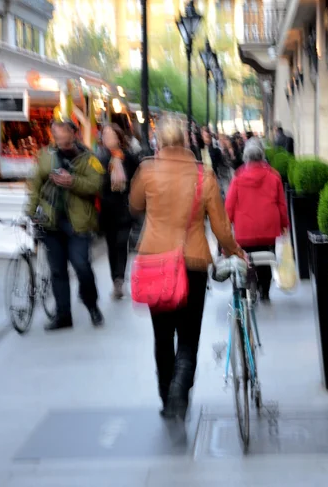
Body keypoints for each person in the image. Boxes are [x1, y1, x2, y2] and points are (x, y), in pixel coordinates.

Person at [130, 115, 244, 420]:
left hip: (155, 261)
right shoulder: (202, 176)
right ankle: (181, 389)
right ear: (185, 141)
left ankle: (167, 398)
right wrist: (236, 251)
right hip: (191, 262)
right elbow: (220, 228)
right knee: (189, 335)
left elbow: (135, 204)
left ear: (159, 141)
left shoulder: (147, 170)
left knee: (162, 335)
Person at [26, 120, 104, 330]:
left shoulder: (88, 159)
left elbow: (96, 185)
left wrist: (73, 182)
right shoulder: (45, 156)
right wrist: (30, 212)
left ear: (73, 134)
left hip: (78, 223)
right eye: (56, 137)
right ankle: (63, 316)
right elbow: (35, 186)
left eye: (64, 137)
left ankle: (92, 305)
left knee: (81, 265)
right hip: (51, 222)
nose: (60, 141)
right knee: (57, 271)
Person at [225, 138, 289, 301]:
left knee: (245, 258)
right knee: (266, 259)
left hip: (244, 231)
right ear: (262, 156)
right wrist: (284, 225)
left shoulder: (238, 177)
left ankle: (248, 286)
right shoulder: (274, 176)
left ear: (246, 157)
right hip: (268, 229)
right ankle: (265, 291)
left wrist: (226, 226)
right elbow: (281, 204)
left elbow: (229, 206)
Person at [98, 124, 139, 299]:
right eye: (105, 136)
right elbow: (98, 184)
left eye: (111, 135)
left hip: (124, 208)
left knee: (122, 244)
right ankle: (115, 277)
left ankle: (119, 281)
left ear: (119, 137)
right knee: (111, 247)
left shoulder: (128, 157)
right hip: (107, 210)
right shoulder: (101, 159)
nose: (108, 139)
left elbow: (138, 179)